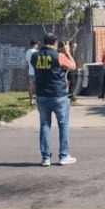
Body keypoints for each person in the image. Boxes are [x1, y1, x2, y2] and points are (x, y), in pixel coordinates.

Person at [32, 33, 77, 167]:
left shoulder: (34, 56)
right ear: (55, 43)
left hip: (41, 94)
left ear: (43, 42)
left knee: (45, 125)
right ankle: (64, 155)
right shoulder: (59, 56)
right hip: (58, 95)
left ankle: (45, 157)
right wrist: (68, 52)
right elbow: (73, 67)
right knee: (63, 125)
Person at [25, 40, 39, 106]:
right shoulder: (37, 52)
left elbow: (27, 60)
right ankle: (38, 100)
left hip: (30, 71)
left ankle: (31, 101)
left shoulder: (28, 51)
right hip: (37, 71)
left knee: (31, 85)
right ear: (35, 44)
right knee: (39, 86)